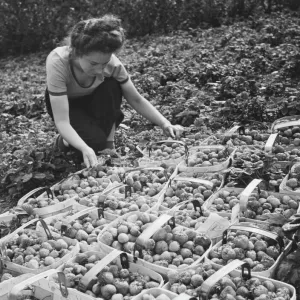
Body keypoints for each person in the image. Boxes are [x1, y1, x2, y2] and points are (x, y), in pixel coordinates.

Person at [45, 14, 184, 168]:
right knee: (92, 143)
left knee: (112, 85)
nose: (99, 70)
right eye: (93, 63)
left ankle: (105, 142)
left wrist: (165, 123)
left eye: (104, 64)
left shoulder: (113, 65)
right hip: (68, 104)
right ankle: (63, 141)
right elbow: (62, 121)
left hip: (93, 98)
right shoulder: (58, 62)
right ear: (77, 52)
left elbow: (136, 99)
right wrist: (84, 148)